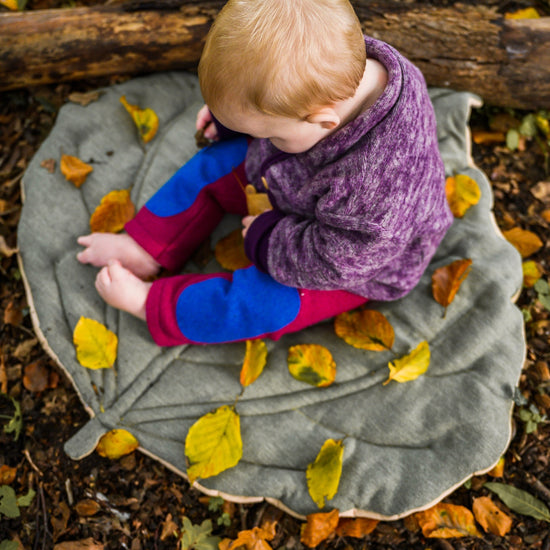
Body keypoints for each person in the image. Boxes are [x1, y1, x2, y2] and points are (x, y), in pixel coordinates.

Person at [77, 0, 453, 346]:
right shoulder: (338, 64)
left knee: (265, 303)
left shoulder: (375, 191)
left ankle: (156, 305)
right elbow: (273, 89)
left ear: (322, 119)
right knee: (215, 164)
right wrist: (236, 121)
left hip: (350, 263)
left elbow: (334, 261)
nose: (263, 138)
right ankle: (148, 246)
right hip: (302, 180)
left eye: (270, 133)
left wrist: (268, 238)